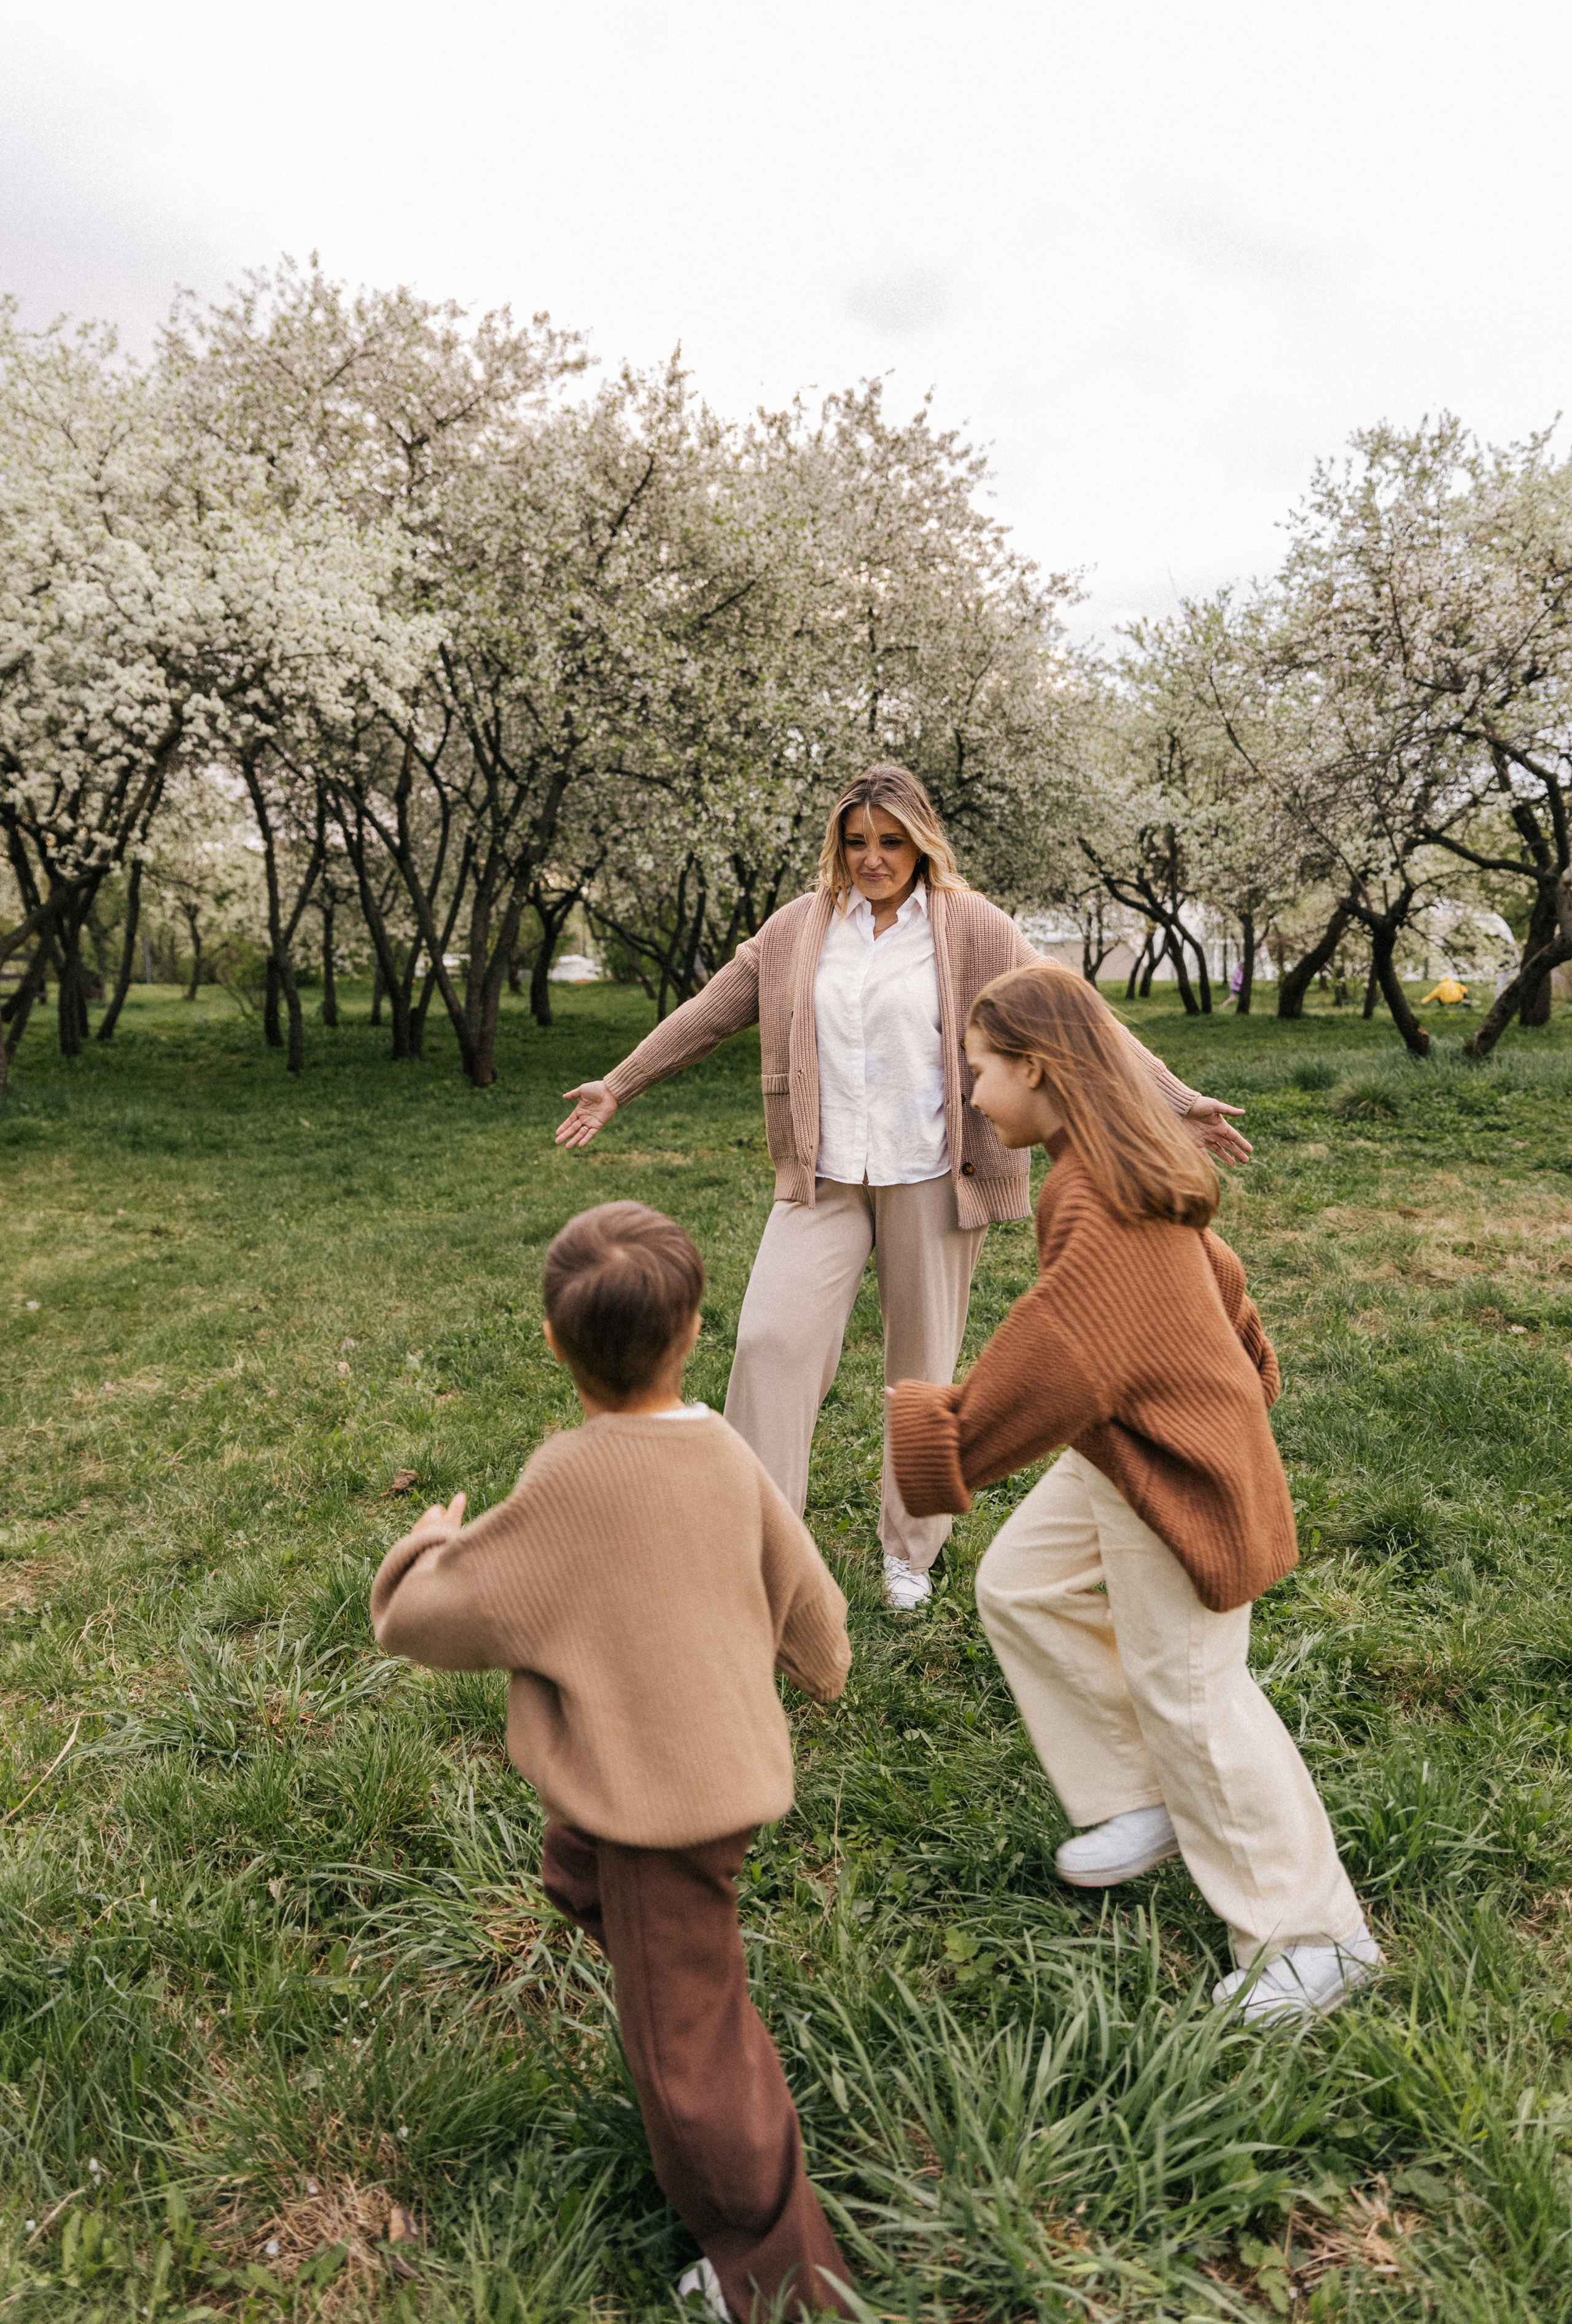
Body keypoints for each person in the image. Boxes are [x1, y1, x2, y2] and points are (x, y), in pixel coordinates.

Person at [556, 764, 1251, 1611]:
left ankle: (910, 1554)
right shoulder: (799, 927)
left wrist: (1174, 1100)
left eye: (891, 842)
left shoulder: (975, 926)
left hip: (936, 1174)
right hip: (824, 1176)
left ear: (921, 843)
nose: (873, 859)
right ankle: (756, 1548)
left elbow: (1075, 1016)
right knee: (769, 1344)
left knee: (919, 1366)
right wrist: (618, 1085)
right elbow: (708, 1012)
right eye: (856, 842)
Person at [370, 1202, 855, 2321]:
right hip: (708, 1771)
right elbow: (804, 1583)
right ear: (695, 1332)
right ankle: (616, 1907)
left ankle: (779, 2278)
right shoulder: (726, 1452)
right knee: (578, 1868)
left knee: (690, 2059)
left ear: (553, 1342)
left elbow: (432, 1616)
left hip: (665, 1809)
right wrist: (824, 1663)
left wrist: (427, 1544)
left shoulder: (568, 1480)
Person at [887, 963, 1381, 2023]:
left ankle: (1315, 1937)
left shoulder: (1092, 1193)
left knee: (1195, 1697)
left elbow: (1066, 1347)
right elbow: (1214, 1267)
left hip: (1176, 1470)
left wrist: (945, 1434)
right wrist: (1242, 1357)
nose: (972, 1094)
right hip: (1132, 1443)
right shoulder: (1111, 1159)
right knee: (1021, 1586)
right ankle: (1140, 1793)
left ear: (1038, 1068)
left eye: (980, 1070)